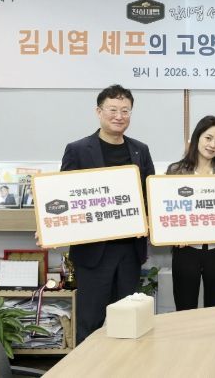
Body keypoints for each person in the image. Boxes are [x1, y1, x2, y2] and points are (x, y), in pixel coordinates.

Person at [60, 84, 155, 344]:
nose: (119, 116)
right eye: (113, 109)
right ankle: (84, 365)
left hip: (129, 252)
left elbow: (150, 195)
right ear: (99, 111)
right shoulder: (78, 150)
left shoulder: (140, 150)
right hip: (93, 253)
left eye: (125, 110)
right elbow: (65, 196)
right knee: (89, 323)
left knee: (127, 323)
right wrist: (51, 227)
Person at [167, 115, 215, 311]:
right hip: (186, 249)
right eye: (208, 138)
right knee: (185, 308)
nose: (213, 145)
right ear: (197, 137)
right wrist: (174, 234)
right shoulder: (176, 170)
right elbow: (166, 209)